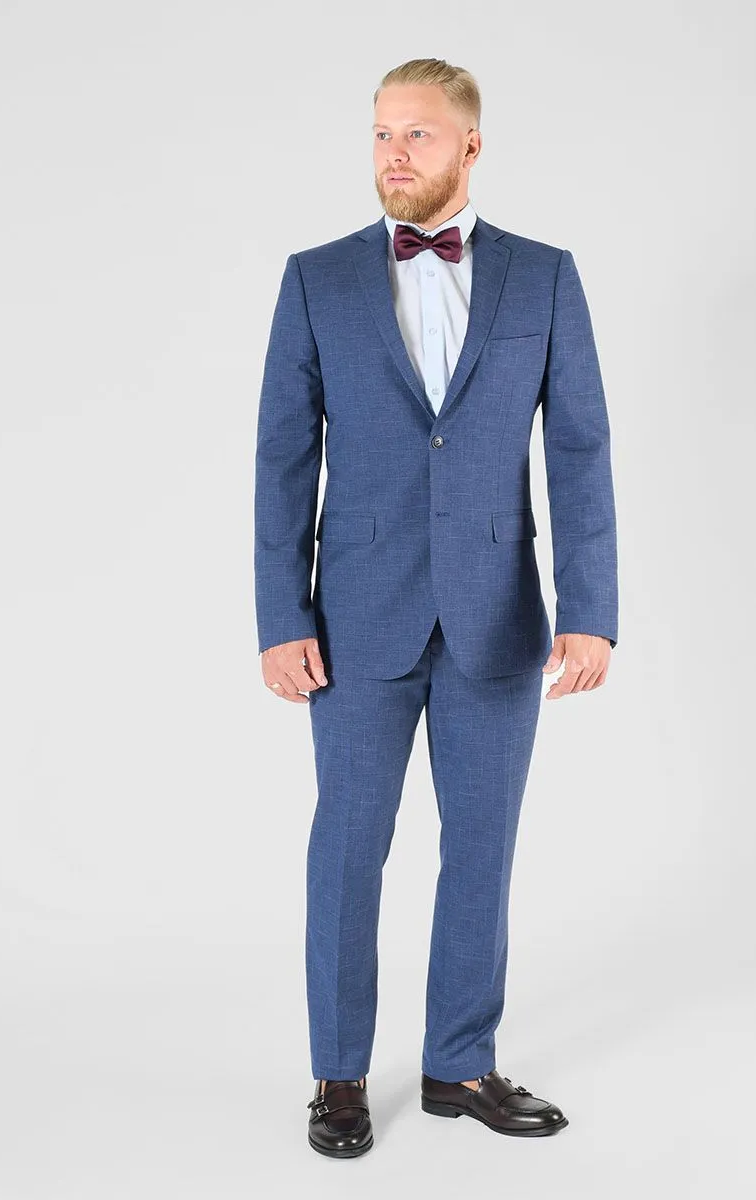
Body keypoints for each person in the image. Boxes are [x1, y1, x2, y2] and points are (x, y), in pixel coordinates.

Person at [253, 57, 618, 1158]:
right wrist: (281, 616)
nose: (393, 153)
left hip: (498, 617)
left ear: (469, 146)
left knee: (482, 851)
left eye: (416, 133)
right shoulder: (317, 279)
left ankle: (461, 1063)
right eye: (380, 134)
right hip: (355, 620)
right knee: (347, 848)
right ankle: (338, 1076)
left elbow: (581, 449)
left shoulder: (543, 277)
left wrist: (590, 606)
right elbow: (282, 460)